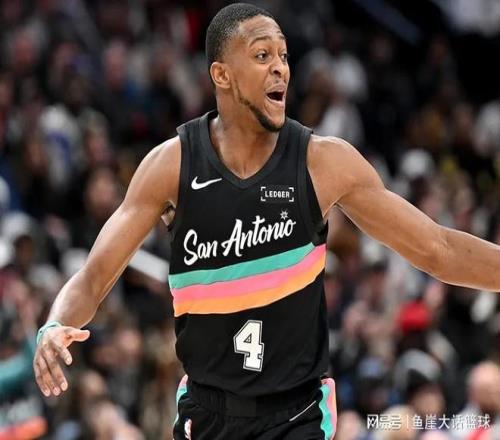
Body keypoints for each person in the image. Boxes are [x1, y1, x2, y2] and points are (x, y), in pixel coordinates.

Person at [33, 3, 500, 439]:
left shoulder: (323, 163)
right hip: (207, 413)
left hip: (298, 414)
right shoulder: (171, 167)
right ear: (222, 75)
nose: (280, 67)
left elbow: (437, 249)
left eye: (283, 55)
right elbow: (93, 278)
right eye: (262, 55)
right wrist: (54, 325)